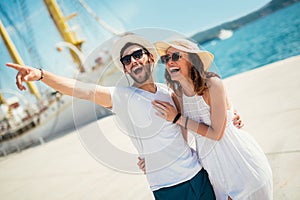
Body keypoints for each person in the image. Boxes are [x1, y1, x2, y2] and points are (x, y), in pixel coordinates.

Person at [6, 33, 218, 200]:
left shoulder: (169, 92)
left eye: (137, 55)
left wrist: (232, 116)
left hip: (198, 174)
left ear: (150, 58)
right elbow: (81, 89)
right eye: (127, 60)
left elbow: (192, 121)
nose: (133, 61)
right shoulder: (121, 97)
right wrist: (42, 75)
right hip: (168, 188)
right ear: (125, 69)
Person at [149, 38, 273, 199]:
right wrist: (152, 158)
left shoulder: (212, 84)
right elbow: (180, 141)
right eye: (166, 59)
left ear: (192, 59)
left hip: (241, 163)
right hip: (215, 171)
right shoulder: (178, 96)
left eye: (176, 56)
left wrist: (178, 118)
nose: (169, 62)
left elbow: (216, 134)